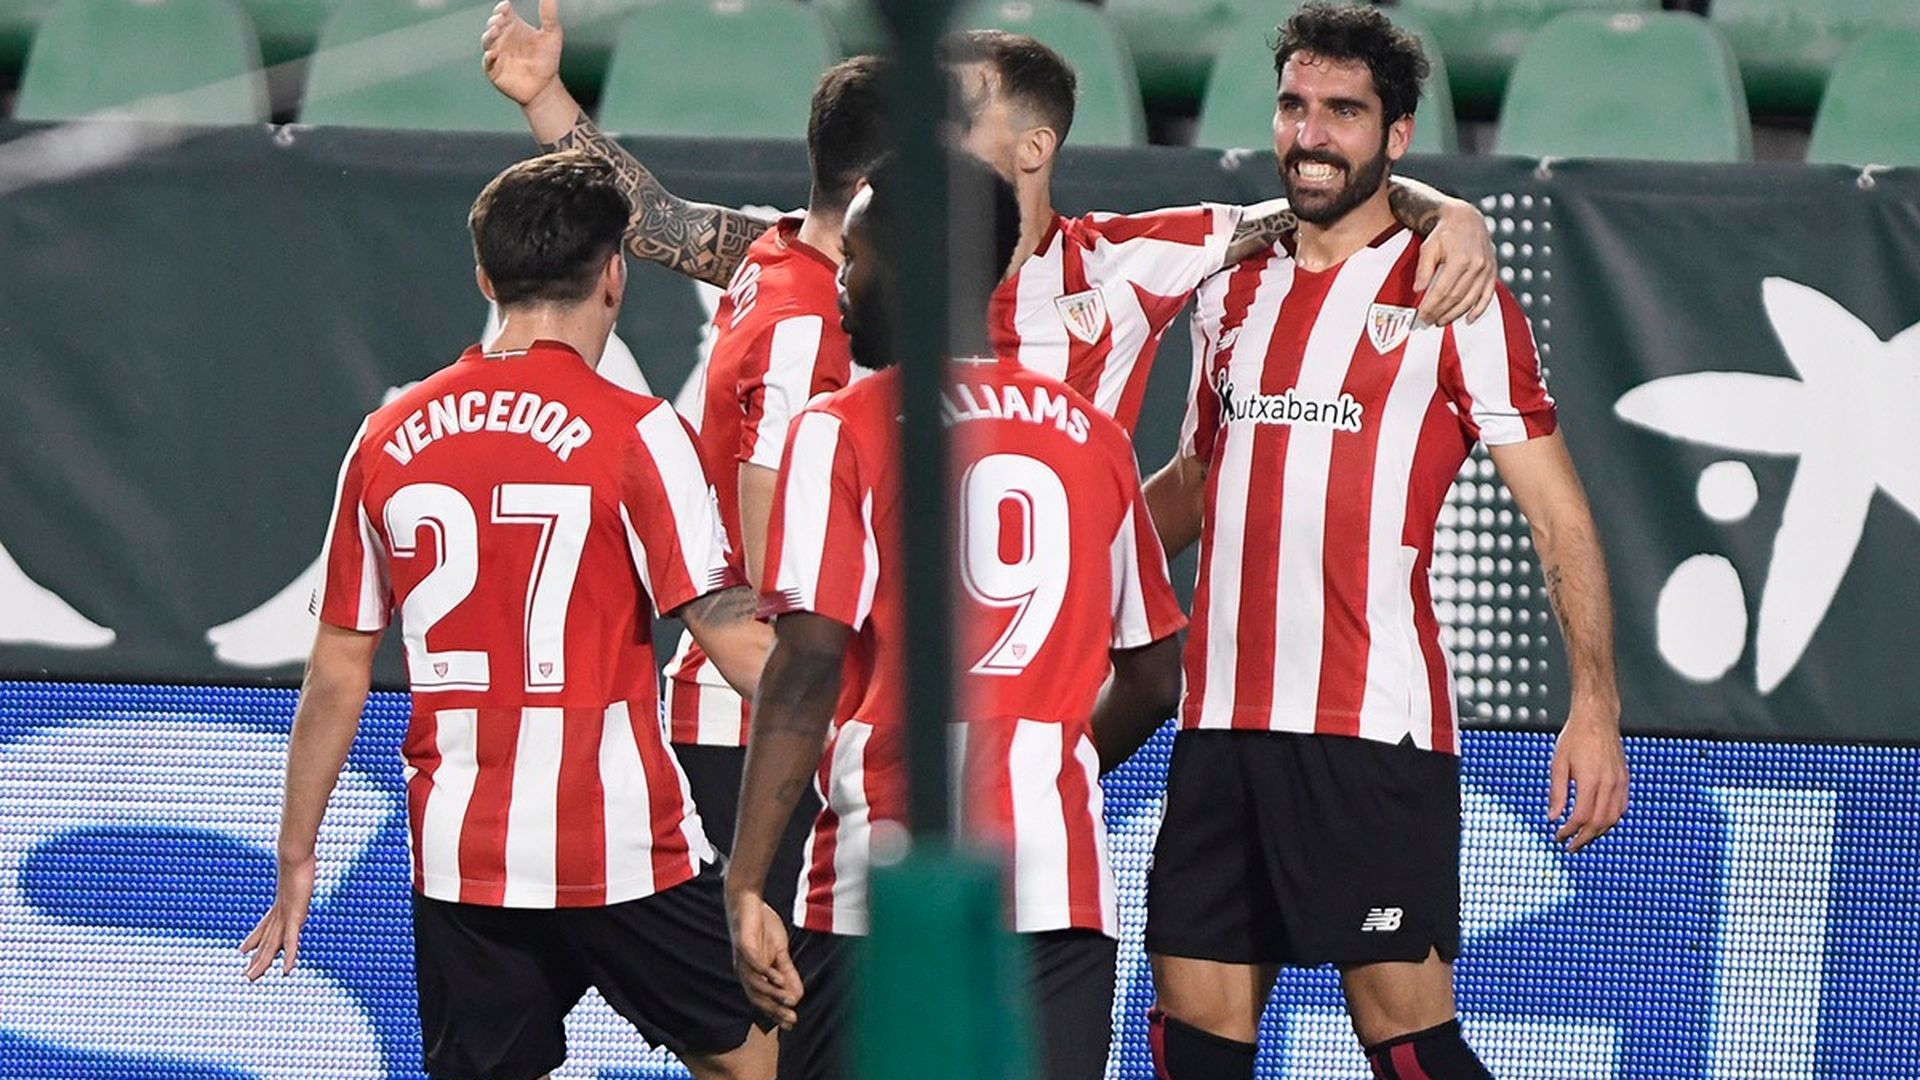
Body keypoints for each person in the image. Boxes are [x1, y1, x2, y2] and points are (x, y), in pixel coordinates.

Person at [1138, 8, 1630, 1079]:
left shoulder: (1457, 293)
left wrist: (1595, 707)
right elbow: (1193, 482)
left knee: (1407, 1043)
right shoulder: (1228, 285)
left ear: (1395, 136)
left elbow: (1560, 518)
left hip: (1369, 730)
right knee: (1190, 1037)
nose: (1311, 136)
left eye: (1344, 113)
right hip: (1217, 723)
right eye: (1295, 106)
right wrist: (1080, 568)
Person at [238, 152, 778, 1080]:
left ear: (485, 279)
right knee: (758, 1059)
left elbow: (336, 670)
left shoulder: (387, 435)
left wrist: (296, 856)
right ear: (616, 274)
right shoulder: (641, 432)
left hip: (463, 852)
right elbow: (733, 643)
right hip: (622, 843)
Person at [479, 3, 1499, 439]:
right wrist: (543, 98)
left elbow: (1316, 190)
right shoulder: (848, 255)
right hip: (880, 671)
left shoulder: (1128, 265)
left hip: (1031, 692)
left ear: (1033, 148)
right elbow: (654, 220)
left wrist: (1449, 209)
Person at [724, 155, 1189, 1080]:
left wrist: (745, 882)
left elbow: (806, 667)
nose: (843, 289)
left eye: (855, 261)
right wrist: (1049, 755)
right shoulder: (1091, 436)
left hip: (877, 886)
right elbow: (1152, 675)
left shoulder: (840, 425)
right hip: (1056, 890)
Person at [486, 3, 893, 917]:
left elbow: (653, 218)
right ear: (878, 183)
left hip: (739, 705)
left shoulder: (778, 257)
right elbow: (782, 550)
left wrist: (546, 97)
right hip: (772, 713)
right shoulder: (806, 325)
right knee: (785, 1017)